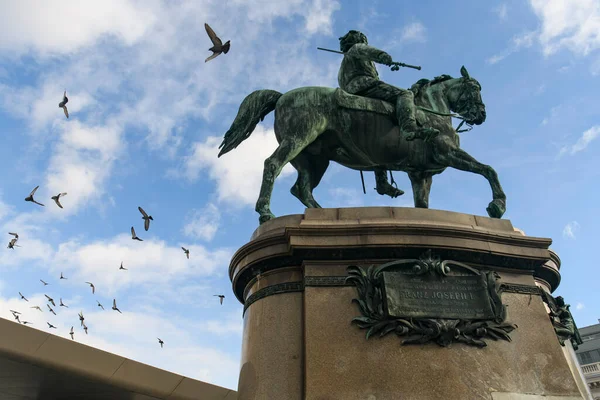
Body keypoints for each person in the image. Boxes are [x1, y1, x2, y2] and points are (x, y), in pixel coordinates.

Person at [337, 30, 438, 142]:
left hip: (351, 89)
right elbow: (367, 50)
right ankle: (409, 128)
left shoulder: (345, 64)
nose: (364, 42)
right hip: (364, 85)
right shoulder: (356, 48)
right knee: (405, 93)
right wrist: (382, 55)